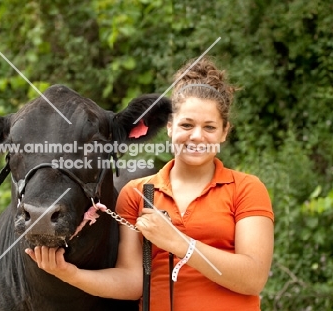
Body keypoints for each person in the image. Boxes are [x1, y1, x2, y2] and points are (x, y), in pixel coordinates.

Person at [25, 56, 274, 311]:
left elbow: (253, 278)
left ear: (224, 132)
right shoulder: (138, 193)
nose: (197, 136)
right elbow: (133, 282)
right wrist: (69, 274)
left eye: (209, 127)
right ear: (169, 127)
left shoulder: (246, 189)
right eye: (187, 124)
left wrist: (179, 243)